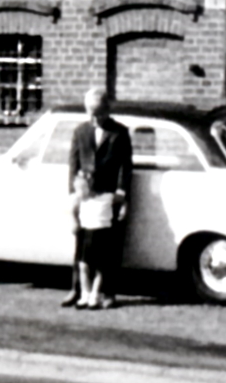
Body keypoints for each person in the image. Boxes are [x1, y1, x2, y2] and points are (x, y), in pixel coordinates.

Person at [62, 87, 132, 309]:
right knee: (82, 247)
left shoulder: (120, 132)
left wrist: (121, 195)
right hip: (85, 197)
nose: (94, 118)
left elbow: (125, 166)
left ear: (107, 110)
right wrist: (74, 192)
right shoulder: (80, 131)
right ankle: (78, 289)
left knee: (108, 249)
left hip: (108, 198)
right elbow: (73, 164)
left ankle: (107, 292)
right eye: (90, 113)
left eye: (99, 113)